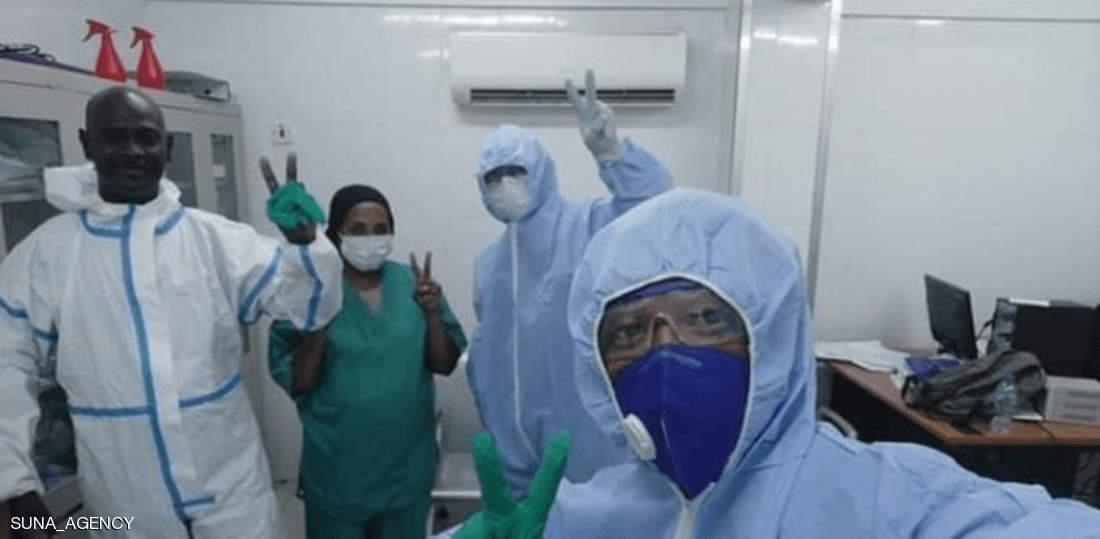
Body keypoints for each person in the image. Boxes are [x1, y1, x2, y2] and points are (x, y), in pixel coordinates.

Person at [444, 187, 1100, 538]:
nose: (665, 351)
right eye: (628, 331)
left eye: (705, 319)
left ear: (771, 335)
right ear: (598, 367)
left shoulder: (885, 501)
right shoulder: (575, 515)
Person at [0, 86, 343, 539]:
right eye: (114, 137)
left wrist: (306, 246)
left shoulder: (215, 239)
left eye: (146, 138)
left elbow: (310, 309)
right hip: (122, 501)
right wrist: (14, 483)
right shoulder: (48, 253)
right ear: (86, 143)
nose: (132, 150)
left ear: (169, 147)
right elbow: (7, 363)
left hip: (231, 492)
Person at [467, 69, 673, 498]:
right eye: (494, 177)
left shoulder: (589, 226)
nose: (506, 185)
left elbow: (653, 208)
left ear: (541, 172)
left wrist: (613, 154)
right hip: (512, 454)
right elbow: (492, 360)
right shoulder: (488, 264)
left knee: (589, 519)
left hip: (588, 443)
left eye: (517, 171)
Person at [269, 185, 467, 539]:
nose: (370, 239)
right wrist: (320, 316)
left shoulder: (412, 284)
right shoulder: (313, 289)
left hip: (406, 468)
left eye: (380, 229)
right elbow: (298, 382)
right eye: (357, 230)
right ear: (336, 233)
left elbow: (444, 364)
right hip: (340, 470)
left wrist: (432, 313)